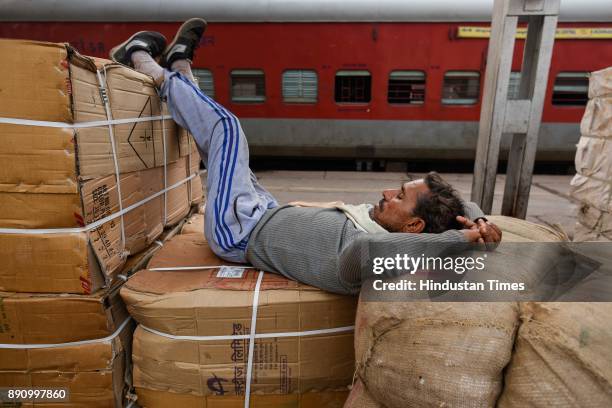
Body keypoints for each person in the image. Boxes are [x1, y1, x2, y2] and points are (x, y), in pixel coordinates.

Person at [110, 19, 501, 295]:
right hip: (261, 209)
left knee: (227, 131)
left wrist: (461, 240)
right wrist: (479, 221)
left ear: (415, 228)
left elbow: (372, 251)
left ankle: (145, 64)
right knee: (218, 146)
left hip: (238, 230)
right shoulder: (394, 226)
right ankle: (180, 66)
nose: (386, 193)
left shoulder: (367, 260)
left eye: (399, 196)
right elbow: (455, 204)